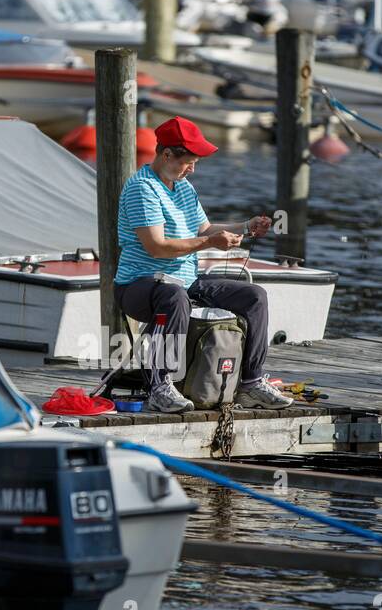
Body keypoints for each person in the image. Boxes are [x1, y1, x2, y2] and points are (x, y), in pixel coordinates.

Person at [114, 116, 292, 413]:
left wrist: (246, 227)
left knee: (254, 296)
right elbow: (157, 247)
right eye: (189, 162)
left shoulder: (183, 187)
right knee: (173, 296)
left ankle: (250, 383)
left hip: (184, 282)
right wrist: (211, 243)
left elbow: (204, 229)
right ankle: (160, 386)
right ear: (167, 154)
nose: (193, 168)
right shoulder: (141, 189)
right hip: (137, 285)